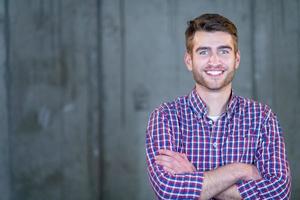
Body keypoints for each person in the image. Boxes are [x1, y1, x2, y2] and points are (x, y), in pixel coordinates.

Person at [145, 13, 291, 199]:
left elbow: (279, 194)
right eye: (204, 51)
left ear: (236, 59)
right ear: (189, 60)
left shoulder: (262, 117)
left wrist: (193, 177)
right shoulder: (165, 117)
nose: (214, 61)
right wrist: (240, 170)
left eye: (223, 51)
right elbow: (170, 192)